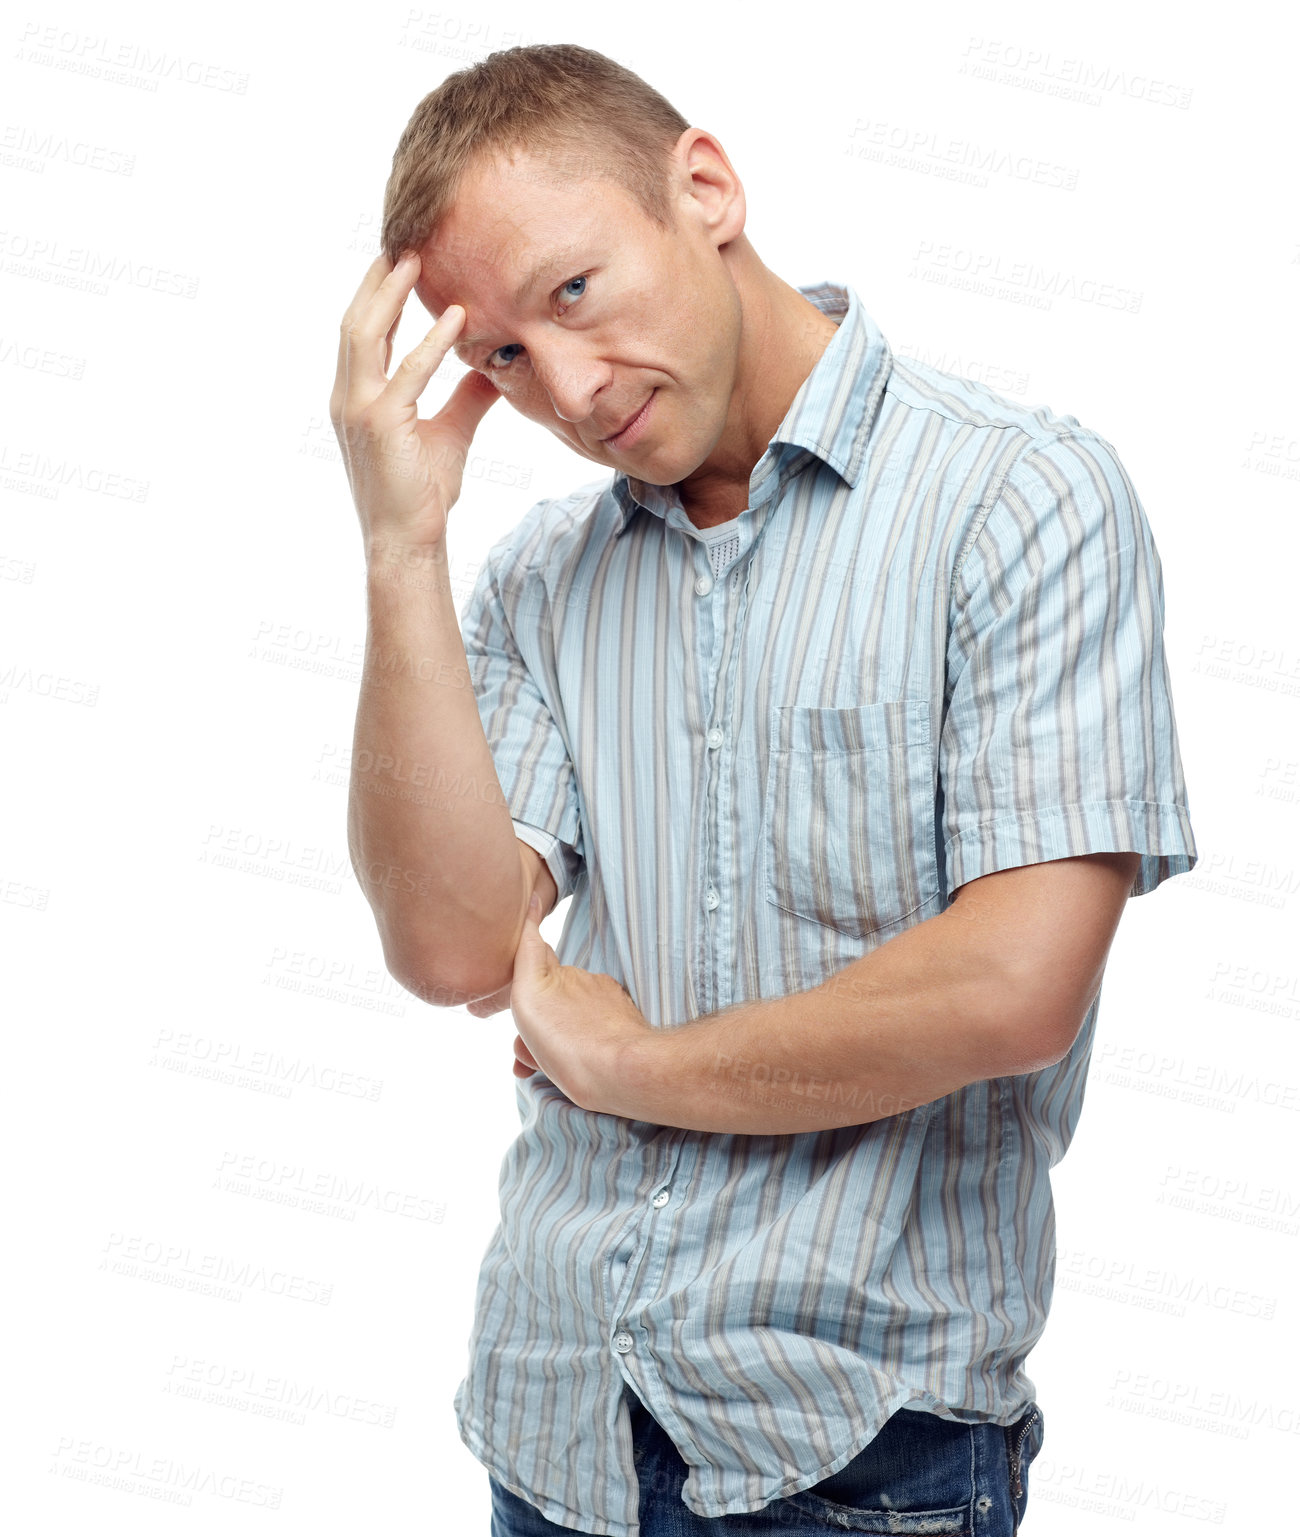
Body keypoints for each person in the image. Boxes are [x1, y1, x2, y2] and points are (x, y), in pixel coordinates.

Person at [330, 42, 1198, 1537]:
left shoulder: (1017, 503)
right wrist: (402, 545)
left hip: (857, 1458)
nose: (570, 388)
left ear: (707, 191)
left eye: (575, 291)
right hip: (559, 1435)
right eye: (503, 358)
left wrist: (630, 1062)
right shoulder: (542, 582)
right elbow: (456, 949)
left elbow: (1011, 984)